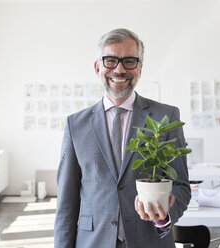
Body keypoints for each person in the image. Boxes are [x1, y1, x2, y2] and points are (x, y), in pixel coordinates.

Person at [54, 28, 190, 248]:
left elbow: (181, 185)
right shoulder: (75, 124)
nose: (119, 69)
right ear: (98, 67)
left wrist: (164, 217)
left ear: (140, 68)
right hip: (93, 241)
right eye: (110, 60)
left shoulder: (166, 117)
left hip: (150, 240)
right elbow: (66, 204)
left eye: (129, 61)